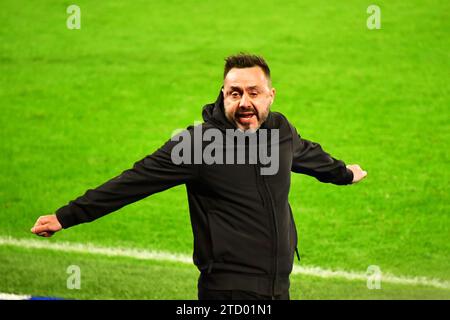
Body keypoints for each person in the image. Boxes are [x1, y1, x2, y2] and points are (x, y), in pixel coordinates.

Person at [31, 53, 367, 300]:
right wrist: (66, 216)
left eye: (253, 92)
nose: (245, 101)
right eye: (235, 92)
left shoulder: (280, 131)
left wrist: (343, 174)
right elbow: (133, 182)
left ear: (271, 95)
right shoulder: (197, 144)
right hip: (228, 289)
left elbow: (308, 153)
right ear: (223, 93)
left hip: (278, 284)